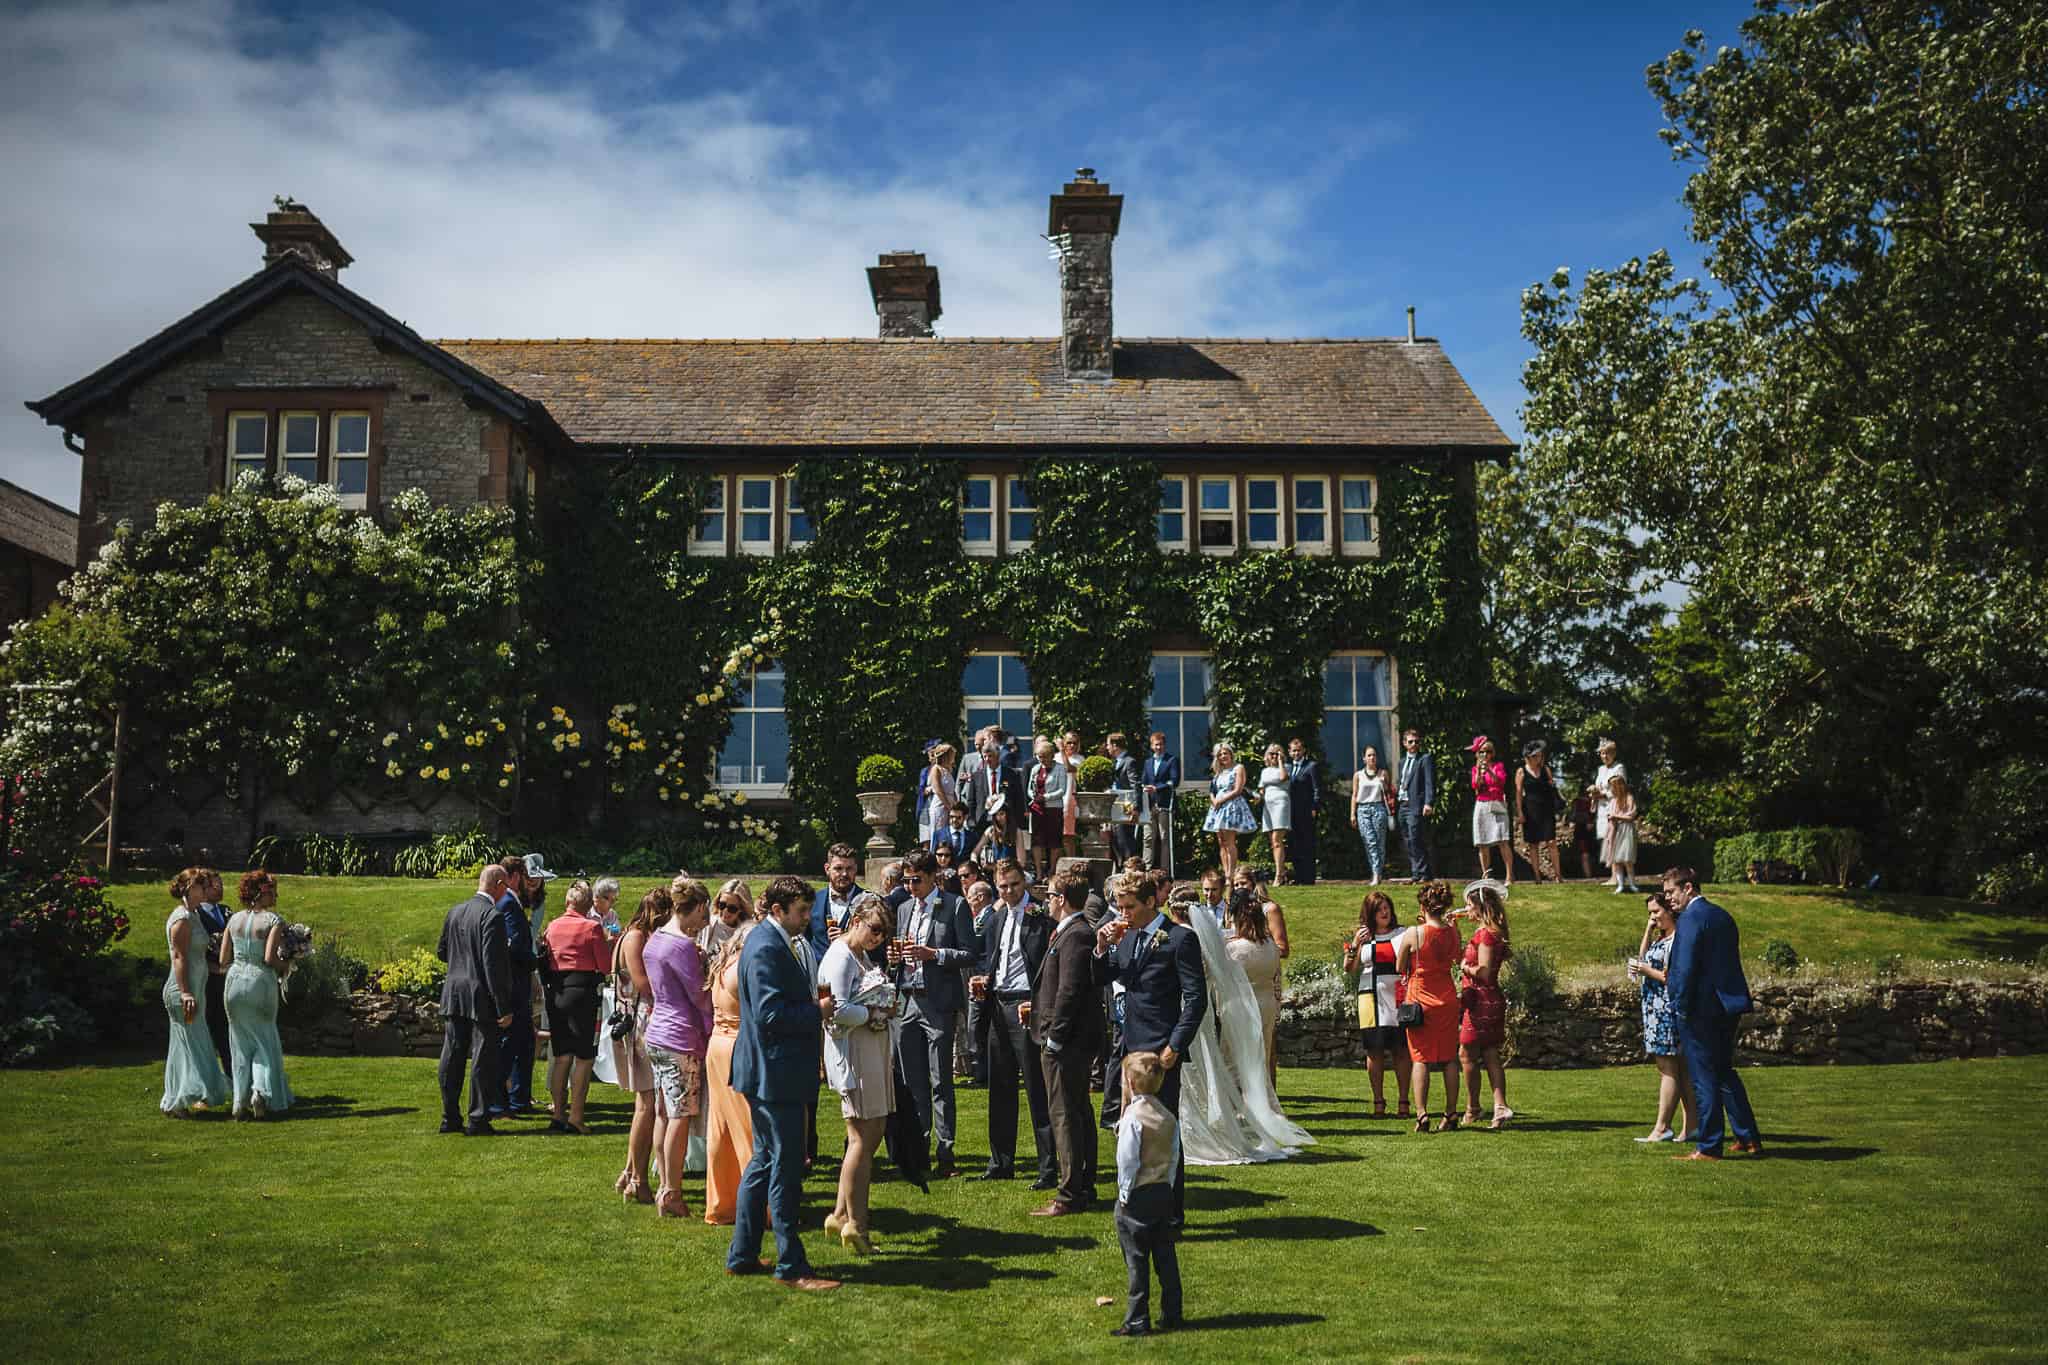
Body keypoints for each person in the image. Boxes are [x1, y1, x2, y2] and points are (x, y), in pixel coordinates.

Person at [727, 875, 839, 1290]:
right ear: (778, 910)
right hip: (775, 1075)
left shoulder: (767, 941)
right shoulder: (766, 947)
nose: (808, 918)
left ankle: (741, 1255)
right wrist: (817, 1010)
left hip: (768, 1072)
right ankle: (791, 1266)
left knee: (764, 1162)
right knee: (785, 1168)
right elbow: (771, 1017)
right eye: (802, 911)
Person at [1094, 873, 1207, 1218]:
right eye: (1119, 906)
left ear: (1150, 903)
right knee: (1129, 1127)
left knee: (1163, 1130)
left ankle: (1171, 1209)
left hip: (1161, 1050)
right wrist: (1101, 947)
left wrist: (1175, 1045)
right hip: (1129, 1047)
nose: (1122, 913)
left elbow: (1196, 998)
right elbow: (1102, 977)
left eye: (1129, 907)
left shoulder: (1179, 939)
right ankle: (1136, 1203)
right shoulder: (1124, 937)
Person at [1663, 866, 1762, 1162]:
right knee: (1723, 1072)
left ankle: (1708, 1146)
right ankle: (1748, 1138)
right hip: (1726, 1006)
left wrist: (1678, 1004)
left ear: (1689, 888)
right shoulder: (1721, 915)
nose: (1668, 899)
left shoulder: (1691, 918)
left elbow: (1684, 967)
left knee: (1703, 1076)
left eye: (1671, 892)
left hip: (1699, 1009)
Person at [1019, 873, 1102, 1216]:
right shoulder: (1069, 932)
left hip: (1067, 1043)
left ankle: (1069, 1193)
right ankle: (1082, 1185)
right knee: (1076, 1111)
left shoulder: (1077, 934)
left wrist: (1054, 1036)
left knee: (1066, 1115)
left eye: (1050, 894)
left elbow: (1070, 990)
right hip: (1066, 1037)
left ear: (1063, 898)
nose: (1046, 900)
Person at [969, 859, 1055, 1186]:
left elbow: (1048, 967)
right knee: (1000, 1088)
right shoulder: (996, 918)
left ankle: (1048, 1168)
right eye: (1002, 886)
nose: (1009, 892)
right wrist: (982, 979)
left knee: (1036, 1089)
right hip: (998, 1004)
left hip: (1027, 1005)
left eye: (1014, 885)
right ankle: (1001, 1161)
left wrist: (1038, 1004)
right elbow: (991, 959)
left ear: (1025, 883)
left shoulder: (1040, 918)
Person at [820, 894, 898, 1254]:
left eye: (883, 934)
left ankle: (839, 1214)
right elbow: (835, 1012)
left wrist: (883, 1006)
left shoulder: (860, 956)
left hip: (871, 1050)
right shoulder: (839, 957)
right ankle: (857, 1225)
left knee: (871, 1133)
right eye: (874, 930)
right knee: (862, 1139)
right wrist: (874, 1014)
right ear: (857, 921)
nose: (877, 939)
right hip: (854, 1054)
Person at [890, 848, 973, 1178]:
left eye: (917, 881)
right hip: (908, 1000)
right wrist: (896, 957)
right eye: (907, 880)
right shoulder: (904, 908)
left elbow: (969, 953)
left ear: (933, 877)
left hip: (937, 1002)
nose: (911, 887)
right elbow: (899, 951)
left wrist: (933, 954)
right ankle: (918, 1148)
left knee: (940, 1080)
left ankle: (945, 1151)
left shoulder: (955, 905)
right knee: (912, 1082)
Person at [642, 880, 714, 1217]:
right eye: (706, 913)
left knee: (662, 1111)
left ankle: (665, 1183)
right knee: (680, 1116)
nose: (706, 922)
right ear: (698, 907)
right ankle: (671, 1191)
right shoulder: (682, 946)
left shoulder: (655, 939)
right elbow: (699, 996)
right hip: (680, 1037)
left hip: (656, 1033)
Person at [435, 865, 515, 1136]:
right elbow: (493, 966)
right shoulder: (492, 916)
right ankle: (478, 1119)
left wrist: (462, 962)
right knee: (482, 1058)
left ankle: (450, 1117)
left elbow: (442, 952)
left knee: (452, 1053)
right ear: (499, 884)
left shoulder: (455, 911)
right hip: (480, 994)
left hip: (454, 991)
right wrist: (504, 1007)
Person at [1110, 1051, 1184, 1338]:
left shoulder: (1132, 1119)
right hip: (1163, 1191)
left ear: (1128, 1081)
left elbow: (1128, 1160)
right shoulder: (1167, 1116)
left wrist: (1124, 1193)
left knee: (1136, 1258)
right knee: (1165, 1255)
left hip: (1137, 1196)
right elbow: (1175, 1156)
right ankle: (1173, 1311)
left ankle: (1138, 1319)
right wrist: (1167, 1183)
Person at [218, 869, 294, 1119]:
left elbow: (222, 959)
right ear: (263, 892)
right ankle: (259, 1092)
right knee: (264, 1039)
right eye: (273, 891)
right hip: (260, 982)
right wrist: (288, 966)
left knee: (239, 1043)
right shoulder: (273, 920)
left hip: (234, 982)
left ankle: (239, 1103)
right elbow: (269, 957)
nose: (276, 896)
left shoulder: (234, 920)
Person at [542, 880, 613, 1134]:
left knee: (561, 1056)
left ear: (566, 902)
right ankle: (576, 1116)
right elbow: (605, 966)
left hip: (557, 993)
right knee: (584, 1058)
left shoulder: (552, 926)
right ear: (586, 905)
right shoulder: (591, 927)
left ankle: (558, 1113)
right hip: (583, 993)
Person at [612, 889, 668, 1203]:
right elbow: (645, 986)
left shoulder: (633, 934)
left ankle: (629, 1171)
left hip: (638, 1022)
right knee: (646, 1107)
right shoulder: (635, 938)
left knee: (643, 1106)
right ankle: (638, 1179)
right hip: (639, 1026)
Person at [702, 913, 758, 1225]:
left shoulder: (722, 964)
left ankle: (721, 1204)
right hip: (737, 1047)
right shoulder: (743, 969)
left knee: (720, 1130)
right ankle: (758, 1207)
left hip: (716, 1047)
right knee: (748, 1130)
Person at [1630, 892, 1698, 1144]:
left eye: (1656, 912)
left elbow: (1673, 978)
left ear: (1670, 911)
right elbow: (1643, 958)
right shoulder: (1664, 938)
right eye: (1649, 913)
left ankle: (1662, 1128)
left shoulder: (1677, 940)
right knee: (1680, 1070)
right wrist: (1648, 930)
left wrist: (1649, 972)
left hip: (1666, 1011)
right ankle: (1692, 1127)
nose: (1652, 917)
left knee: (1668, 1069)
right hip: (1655, 1010)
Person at [162, 867, 229, 1117]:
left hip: (197, 986)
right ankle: (177, 1100)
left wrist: (223, 969)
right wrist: (185, 992)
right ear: (189, 889)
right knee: (188, 1045)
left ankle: (176, 1100)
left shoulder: (194, 915)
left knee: (190, 1043)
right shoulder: (181, 918)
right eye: (201, 886)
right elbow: (179, 957)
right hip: (182, 990)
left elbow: (198, 956)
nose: (206, 890)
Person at [1400, 880, 1463, 1132]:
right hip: (1446, 997)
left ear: (1423, 905)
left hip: (1420, 998)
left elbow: (1399, 965)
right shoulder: (1452, 932)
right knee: (1449, 1058)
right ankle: (1450, 1113)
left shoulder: (1414, 933)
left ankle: (1422, 1113)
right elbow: (1456, 958)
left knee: (1420, 1058)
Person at [1343, 891, 1412, 1118]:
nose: (1385, 912)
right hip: (1369, 996)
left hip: (1398, 995)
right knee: (1374, 1051)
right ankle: (1378, 1102)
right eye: (1379, 908)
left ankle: (1404, 1101)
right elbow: (1349, 968)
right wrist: (1355, 943)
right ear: (1370, 913)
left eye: (1387, 907)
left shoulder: (1402, 933)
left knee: (1401, 1049)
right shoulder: (1364, 936)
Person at [1457, 881, 1513, 1129]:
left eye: (1469, 905)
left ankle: (1473, 1109)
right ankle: (1499, 1107)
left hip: (1482, 1001)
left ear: (1480, 907)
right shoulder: (1494, 931)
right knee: (1490, 1052)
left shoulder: (1485, 934)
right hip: (1489, 1000)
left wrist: (1464, 967)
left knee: (1466, 1054)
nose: (1466, 909)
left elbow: (1484, 972)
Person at [491, 855, 539, 1117]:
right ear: (515, 875)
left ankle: (519, 1099)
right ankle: (500, 1102)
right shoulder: (508, 902)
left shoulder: (509, 901)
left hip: (517, 983)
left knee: (523, 1043)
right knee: (511, 1044)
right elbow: (513, 945)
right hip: (515, 984)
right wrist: (534, 960)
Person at [1223, 888, 1282, 1085]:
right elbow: (1276, 977)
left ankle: (1238, 1108)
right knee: (1260, 1060)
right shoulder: (1271, 947)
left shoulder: (1233, 949)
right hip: (1266, 1005)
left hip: (1240, 1006)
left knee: (1234, 1061)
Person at [193, 870, 233, 1073]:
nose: (220, 888)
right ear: (203, 889)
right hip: (205, 980)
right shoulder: (195, 914)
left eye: (221, 883)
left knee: (226, 1031)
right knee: (209, 1029)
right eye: (215, 885)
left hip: (227, 979)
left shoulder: (227, 911)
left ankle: (232, 1075)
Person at [1201, 743, 1255, 882]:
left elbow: (1238, 789)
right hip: (1218, 808)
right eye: (1220, 754)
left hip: (1231, 806)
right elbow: (1212, 791)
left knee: (1230, 841)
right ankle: (1226, 873)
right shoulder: (1218, 773)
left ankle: (1231, 874)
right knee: (1221, 842)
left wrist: (1222, 799)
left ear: (1231, 754)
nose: (1223, 756)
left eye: (1225, 753)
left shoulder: (1238, 768)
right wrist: (1214, 801)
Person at [1467, 736, 1513, 886]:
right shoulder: (1475, 769)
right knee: (1482, 842)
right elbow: (1475, 786)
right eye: (1481, 752)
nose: (1484, 755)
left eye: (1487, 752)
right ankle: (1486, 876)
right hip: (1482, 804)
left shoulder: (1498, 766)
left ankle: (1509, 876)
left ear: (1492, 753)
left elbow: (1500, 782)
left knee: (1503, 841)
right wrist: (1480, 773)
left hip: (1497, 804)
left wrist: (1490, 771)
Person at [1516, 741, 1563, 883]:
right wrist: (1520, 813)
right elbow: (1518, 793)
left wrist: (1552, 785)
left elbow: (1552, 786)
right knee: (1533, 844)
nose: (1539, 758)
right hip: (1530, 809)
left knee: (1551, 841)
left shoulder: (1545, 769)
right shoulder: (1521, 771)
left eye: (1540, 756)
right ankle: (1537, 877)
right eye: (1536, 756)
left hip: (1546, 808)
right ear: (1529, 757)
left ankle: (1558, 876)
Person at [807, 844, 866, 958]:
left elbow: (878, 948)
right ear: (827, 869)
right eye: (838, 868)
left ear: (856, 869)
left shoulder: (869, 901)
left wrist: (849, 939)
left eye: (849, 869)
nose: (844, 874)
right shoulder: (812, 900)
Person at [1026, 737, 1071, 882]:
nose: (1042, 760)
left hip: (1053, 809)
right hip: (1037, 809)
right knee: (1037, 841)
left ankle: (1051, 871)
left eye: (1044, 757)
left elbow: (1062, 790)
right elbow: (1029, 788)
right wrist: (1033, 795)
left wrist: (1045, 797)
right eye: (1039, 757)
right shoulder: (1035, 768)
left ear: (1052, 755)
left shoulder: (1060, 769)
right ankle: (1039, 872)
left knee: (1054, 841)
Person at [1351, 743, 1394, 885]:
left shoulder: (1383, 773)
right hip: (1363, 809)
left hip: (1378, 808)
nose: (1372, 758)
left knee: (1380, 843)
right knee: (1370, 841)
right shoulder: (1358, 775)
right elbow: (1354, 794)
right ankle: (1375, 873)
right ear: (1364, 758)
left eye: (1374, 755)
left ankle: (1378, 873)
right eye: (1369, 755)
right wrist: (1352, 814)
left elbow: (1389, 792)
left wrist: (1384, 783)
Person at [1396, 728, 1437, 879]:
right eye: (1410, 742)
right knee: (1407, 840)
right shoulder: (1401, 762)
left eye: (1416, 741)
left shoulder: (1424, 759)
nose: (1414, 744)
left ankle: (1424, 872)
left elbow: (1429, 783)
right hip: (1403, 804)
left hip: (1416, 805)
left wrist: (1428, 803)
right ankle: (1415, 873)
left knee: (1415, 838)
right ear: (1404, 743)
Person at [1140, 731, 1181, 874]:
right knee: (1148, 838)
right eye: (1156, 745)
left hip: (1164, 804)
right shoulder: (1147, 762)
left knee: (1164, 837)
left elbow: (1174, 781)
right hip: (1149, 805)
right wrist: (1145, 788)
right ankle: (1146, 869)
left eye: (1161, 745)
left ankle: (1165, 870)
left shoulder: (1171, 760)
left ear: (1164, 745)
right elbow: (1143, 780)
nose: (1159, 747)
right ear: (1152, 746)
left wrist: (1157, 788)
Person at [1286, 737, 1322, 885]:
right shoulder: (1287, 768)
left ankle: (1308, 877)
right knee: (1294, 845)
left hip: (1306, 811)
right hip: (1291, 812)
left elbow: (1316, 788)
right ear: (1289, 752)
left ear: (1303, 750)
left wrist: (1315, 807)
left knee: (1307, 845)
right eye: (1293, 750)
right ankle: (1299, 876)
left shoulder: (1311, 766)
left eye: (1298, 750)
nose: (1296, 753)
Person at [1254, 743, 1292, 880]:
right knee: (1273, 842)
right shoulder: (1265, 771)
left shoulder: (1287, 767)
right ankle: (1281, 870)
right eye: (1272, 753)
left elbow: (1283, 778)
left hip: (1281, 803)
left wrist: (1281, 761)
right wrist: (1258, 797)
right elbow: (1261, 789)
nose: (1274, 756)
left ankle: (1279, 875)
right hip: (1268, 805)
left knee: (1277, 840)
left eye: (1277, 753)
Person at [1106, 732, 1141, 865]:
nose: (1107, 747)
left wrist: (1136, 808)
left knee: (1125, 841)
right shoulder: (1114, 762)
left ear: (1115, 745)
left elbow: (1135, 785)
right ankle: (1121, 869)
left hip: (1126, 807)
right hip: (1115, 806)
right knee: (1116, 841)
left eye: (1109, 744)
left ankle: (1131, 870)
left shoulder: (1129, 761)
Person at [1593, 737, 1628, 871]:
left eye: (1608, 753)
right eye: (1602, 753)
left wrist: (1605, 794)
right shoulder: (1601, 769)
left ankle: (1618, 874)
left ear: (1613, 754)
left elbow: (1620, 789)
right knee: (1607, 841)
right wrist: (1595, 793)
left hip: (1615, 806)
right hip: (1602, 809)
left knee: (1615, 840)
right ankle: (1613, 875)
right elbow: (1599, 787)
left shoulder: (1619, 768)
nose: (1605, 756)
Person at [1604, 774, 1642, 893]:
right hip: (1616, 830)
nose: (1611, 789)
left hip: (1626, 830)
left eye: (1612, 787)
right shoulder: (1613, 801)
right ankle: (1620, 885)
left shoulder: (1629, 798)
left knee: (1627, 859)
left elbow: (1631, 815)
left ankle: (1632, 884)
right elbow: (1610, 815)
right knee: (1617, 860)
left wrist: (1616, 816)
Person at [702, 877, 754, 960]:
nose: (725, 911)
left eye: (732, 908)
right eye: (722, 905)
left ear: (741, 909)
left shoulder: (747, 932)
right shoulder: (708, 925)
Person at [924, 741, 960, 849]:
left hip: (950, 804)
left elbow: (952, 790)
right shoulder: (936, 769)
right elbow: (938, 789)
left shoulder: (948, 770)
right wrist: (947, 805)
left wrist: (956, 804)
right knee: (938, 832)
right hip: (940, 805)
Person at [1059, 730, 1085, 857]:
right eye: (1069, 743)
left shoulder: (1080, 759)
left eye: (1075, 743)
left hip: (1069, 801)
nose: (1072, 746)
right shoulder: (1055, 757)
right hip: (1053, 800)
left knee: (1068, 835)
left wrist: (1061, 752)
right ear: (1064, 743)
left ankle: (1070, 861)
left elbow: (1069, 768)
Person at [1569, 790, 1599, 879]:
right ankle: (1588, 875)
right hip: (1582, 829)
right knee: (1585, 854)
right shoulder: (1580, 802)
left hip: (1589, 830)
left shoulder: (1594, 801)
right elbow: (1573, 816)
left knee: (1588, 854)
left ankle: (1589, 875)